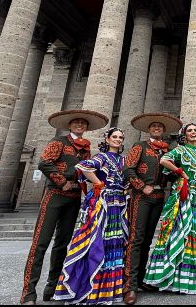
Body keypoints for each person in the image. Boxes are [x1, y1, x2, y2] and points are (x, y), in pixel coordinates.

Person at [20, 109, 108, 305]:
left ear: (86, 128)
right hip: (55, 195)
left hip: (74, 197)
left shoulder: (86, 148)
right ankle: (28, 292)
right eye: (76, 122)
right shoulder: (58, 142)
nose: (79, 125)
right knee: (40, 243)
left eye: (83, 123)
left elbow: (88, 171)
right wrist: (62, 182)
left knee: (62, 244)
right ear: (69, 125)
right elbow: (45, 163)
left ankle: (52, 287)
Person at [54, 126, 129, 304]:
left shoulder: (124, 160)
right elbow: (83, 167)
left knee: (114, 243)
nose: (117, 140)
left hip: (118, 204)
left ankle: (108, 289)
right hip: (103, 203)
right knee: (98, 241)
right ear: (107, 139)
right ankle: (90, 287)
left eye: (120, 137)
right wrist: (99, 184)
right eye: (115, 137)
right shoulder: (101, 157)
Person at [144, 123, 196, 294]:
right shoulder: (179, 150)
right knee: (180, 232)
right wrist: (179, 171)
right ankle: (170, 277)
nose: (192, 133)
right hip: (184, 197)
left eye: (195, 131)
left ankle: (191, 278)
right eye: (189, 131)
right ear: (184, 135)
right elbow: (163, 160)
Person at [122, 112, 182, 305]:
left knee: (148, 239)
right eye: (154, 127)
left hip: (158, 197)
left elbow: (171, 175)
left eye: (160, 127)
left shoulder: (167, 151)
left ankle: (140, 280)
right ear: (149, 130)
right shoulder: (140, 147)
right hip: (141, 197)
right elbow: (127, 169)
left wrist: (182, 174)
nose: (157, 129)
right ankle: (129, 286)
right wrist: (141, 186)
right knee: (136, 238)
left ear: (163, 131)